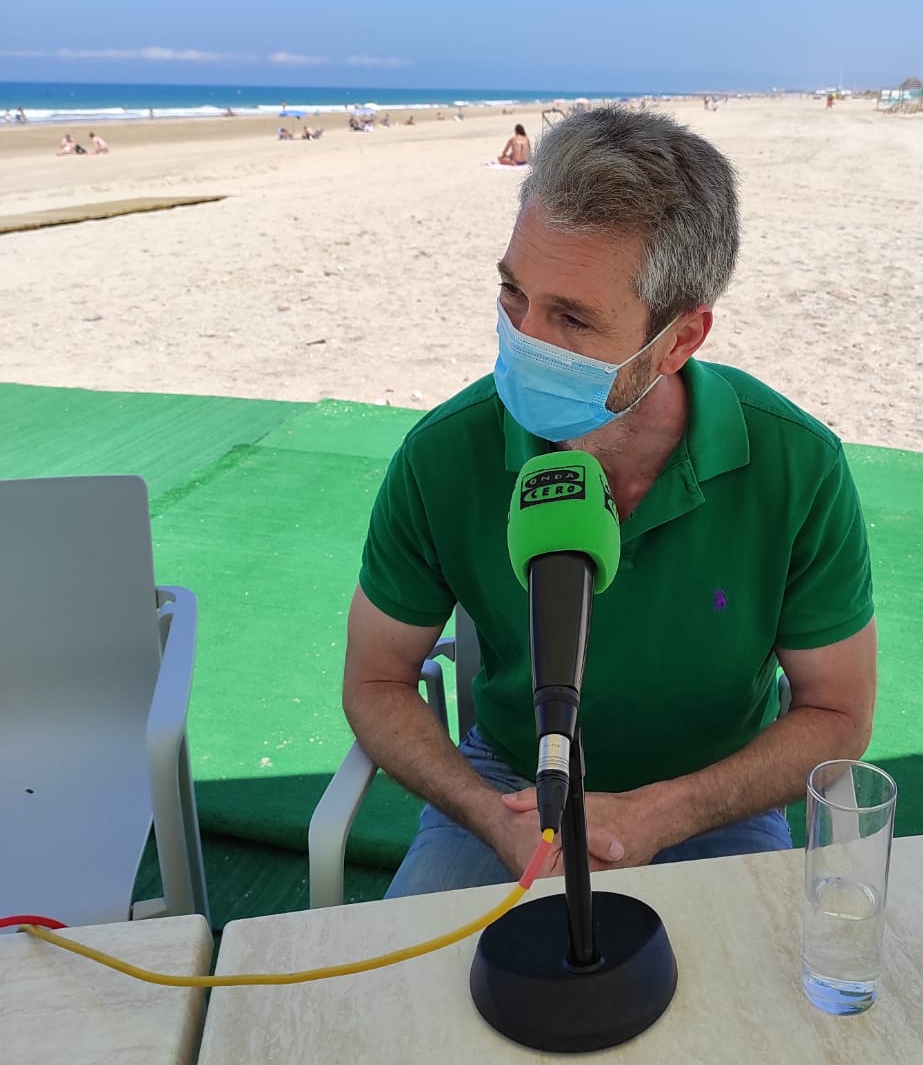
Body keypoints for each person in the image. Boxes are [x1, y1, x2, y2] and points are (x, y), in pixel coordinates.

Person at [344, 106, 877, 897]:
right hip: (508, 782)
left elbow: (837, 714)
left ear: (679, 341)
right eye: (513, 293)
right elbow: (376, 680)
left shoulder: (797, 465)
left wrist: (665, 812)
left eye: (573, 318)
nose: (523, 339)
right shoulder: (443, 454)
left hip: (715, 795)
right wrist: (486, 813)